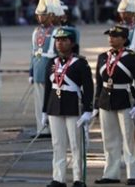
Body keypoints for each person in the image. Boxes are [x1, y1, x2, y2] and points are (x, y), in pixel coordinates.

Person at [94, 25, 135, 185]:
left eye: (115, 36)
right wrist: (96, 104)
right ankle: (111, 173)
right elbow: (99, 82)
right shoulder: (103, 56)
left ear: (124, 39)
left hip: (125, 99)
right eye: (110, 36)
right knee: (109, 139)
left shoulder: (131, 57)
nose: (111, 38)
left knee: (129, 139)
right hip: (106, 101)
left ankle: (132, 174)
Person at [42, 28, 94, 187]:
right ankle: (59, 177)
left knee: (76, 144)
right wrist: (44, 110)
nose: (60, 43)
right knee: (57, 144)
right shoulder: (52, 62)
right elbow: (48, 88)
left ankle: (78, 178)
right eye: (58, 40)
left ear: (72, 43)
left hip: (73, 106)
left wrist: (87, 109)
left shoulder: (80, 63)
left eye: (64, 40)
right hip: (54, 106)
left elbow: (88, 87)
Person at [30, 0, 56, 137]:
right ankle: (41, 127)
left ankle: (52, 127)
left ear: (50, 15)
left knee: (50, 101)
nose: (40, 18)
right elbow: (32, 53)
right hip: (38, 69)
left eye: (43, 15)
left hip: (50, 69)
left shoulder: (55, 31)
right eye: (39, 15)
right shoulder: (36, 31)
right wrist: (31, 71)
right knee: (38, 101)